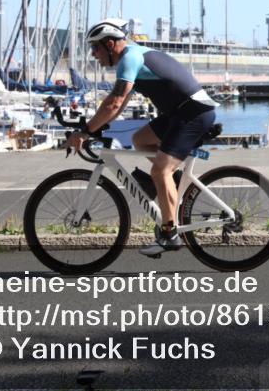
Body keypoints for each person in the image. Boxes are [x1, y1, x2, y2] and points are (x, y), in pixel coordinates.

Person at [65, 18, 217, 256]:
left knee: (159, 171)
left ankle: (170, 234)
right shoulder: (134, 56)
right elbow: (119, 103)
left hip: (193, 113)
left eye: (95, 47)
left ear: (110, 44)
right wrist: (97, 126)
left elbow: (114, 102)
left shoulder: (130, 58)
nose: (93, 54)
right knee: (140, 140)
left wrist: (86, 131)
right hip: (180, 112)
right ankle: (173, 185)